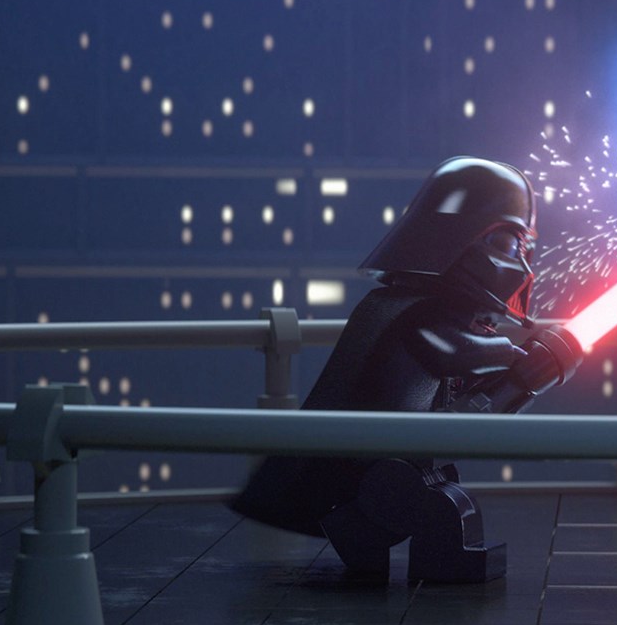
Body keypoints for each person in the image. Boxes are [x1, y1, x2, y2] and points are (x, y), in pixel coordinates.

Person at [230, 157, 580, 583]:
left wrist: (532, 372)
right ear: (463, 239)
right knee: (420, 502)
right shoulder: (409, 312)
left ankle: (370, 535)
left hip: (403, 454)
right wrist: (512, 353)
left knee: (434, 496)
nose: (520, 263)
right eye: (510, 246)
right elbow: (452, 351)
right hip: (370, 462)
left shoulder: (415, 310)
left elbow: (478, 397)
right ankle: (365, 533)